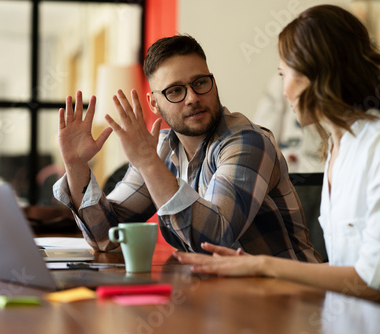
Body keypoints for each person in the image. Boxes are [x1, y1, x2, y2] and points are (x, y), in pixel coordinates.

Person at [174, 5, 380, 306]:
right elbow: (349, 269)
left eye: (285, 75)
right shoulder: (338, 146)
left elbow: (376, 283)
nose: (284, 91)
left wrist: (262, 265)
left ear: (318, 75)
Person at [53, 34, 321, 263]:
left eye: (200, 83)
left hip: (286, 299)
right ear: (154, 104)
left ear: (213, 83)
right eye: (175, 90)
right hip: (216, 301)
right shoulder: (158, 149)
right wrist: (77, 167)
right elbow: (105, 238)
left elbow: (214, 237)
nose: (192, 98)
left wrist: (148, 162)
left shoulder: (247, 142)